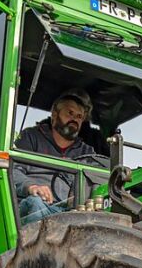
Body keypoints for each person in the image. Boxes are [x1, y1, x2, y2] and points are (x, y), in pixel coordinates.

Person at [12, 89, 108, 224]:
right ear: (55, 115)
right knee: (35, 203)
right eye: (70, 113)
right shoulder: (31, 138)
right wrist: (32, 186)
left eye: (79, 117)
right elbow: (13, 170)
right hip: (39, 205)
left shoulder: (87, 152)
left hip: (71, 212)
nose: (75, 119)